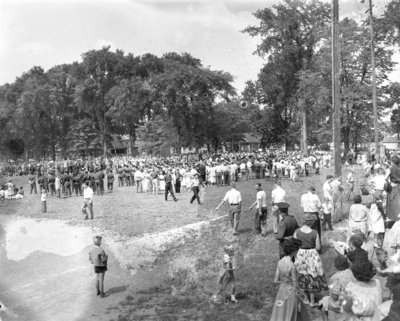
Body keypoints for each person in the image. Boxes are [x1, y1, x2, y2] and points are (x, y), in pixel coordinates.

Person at [269, 238, 309, 321]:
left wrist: (284, 281)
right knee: (294, 313)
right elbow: (295, 284)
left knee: (282, 312)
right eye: (297, 249)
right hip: (291, 293)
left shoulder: (279, 262)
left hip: (282, 290)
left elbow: (275, 280)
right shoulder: (292, 266)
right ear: (294, 251)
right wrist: (301, 298)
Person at [294, 214, 328, 307]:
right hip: (312, 255)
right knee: (312, 276)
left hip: (301, 254)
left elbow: (294, 244)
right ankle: (312, 301)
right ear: (312, 222)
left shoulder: (297, 231)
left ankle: (305, 298)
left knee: (303, 275)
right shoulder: (314, 232)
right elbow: (318, 247)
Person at [386, 155, 400, 222]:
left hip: (393, 186)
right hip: (399, 186)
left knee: (393, 202)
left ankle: (394, 218)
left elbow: (385, 177)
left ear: (392, 161)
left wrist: (388, 182)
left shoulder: (390, 169)